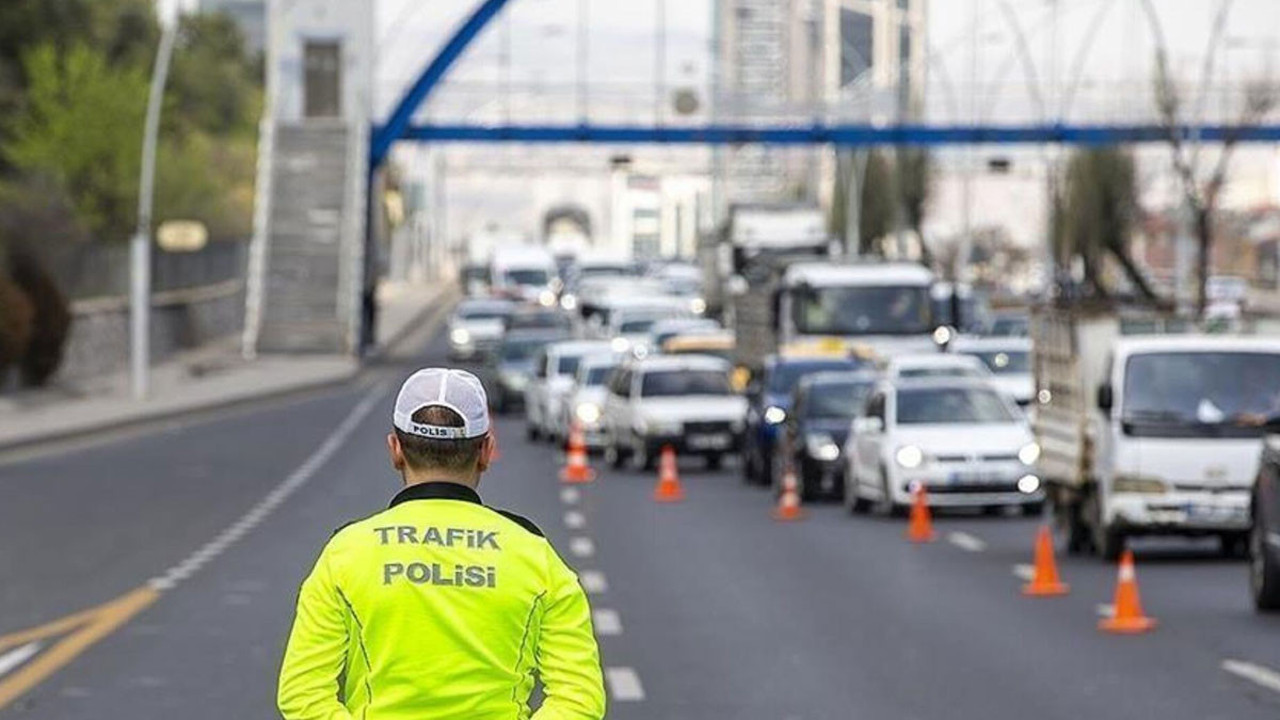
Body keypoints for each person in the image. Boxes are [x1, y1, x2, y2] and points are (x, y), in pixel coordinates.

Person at [278, 368, 606, 719]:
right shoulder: (535, 555)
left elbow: (302, 694)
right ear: (486, 451)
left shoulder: (346, 553)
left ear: (395, 450)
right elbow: (578, 698)